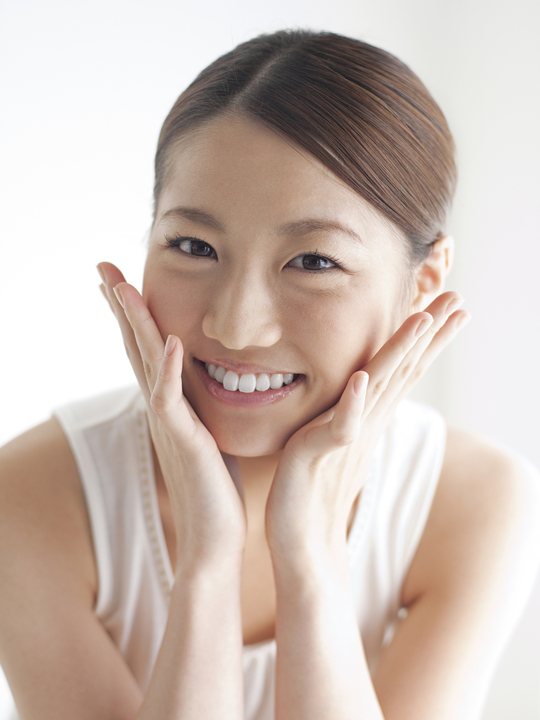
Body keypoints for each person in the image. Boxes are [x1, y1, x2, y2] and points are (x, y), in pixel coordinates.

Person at [0, 29, 539, 720]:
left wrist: (311, 557)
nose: (235, 327)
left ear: (426, 281)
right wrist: (207, 561)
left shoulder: (473, 503)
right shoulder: (32, 498)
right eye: (194, 246)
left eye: (313, 262)